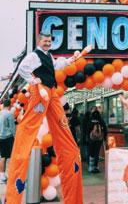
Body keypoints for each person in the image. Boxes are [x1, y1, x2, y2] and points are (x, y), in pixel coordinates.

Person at [6, 32, 83, 204]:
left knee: (63, 124)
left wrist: (72, 59)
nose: (48, 43)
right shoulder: (34, 55)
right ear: (39, 42)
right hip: (40, 93)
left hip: (51, 92)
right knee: (28, 129)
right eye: (45, 41)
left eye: (49, 41)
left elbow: (56, 65)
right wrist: (34, 82)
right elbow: (23, 68)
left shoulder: (48, 56)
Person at [0, 99, 16, 184]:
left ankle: (2, 175)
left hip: (1, 137)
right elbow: (12, 127)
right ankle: (13, 175)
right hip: (8, 138)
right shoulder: (9, 114)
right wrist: (16, 136)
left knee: (3, 156)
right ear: (10, 105)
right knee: (12, 156)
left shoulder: (0, 112)